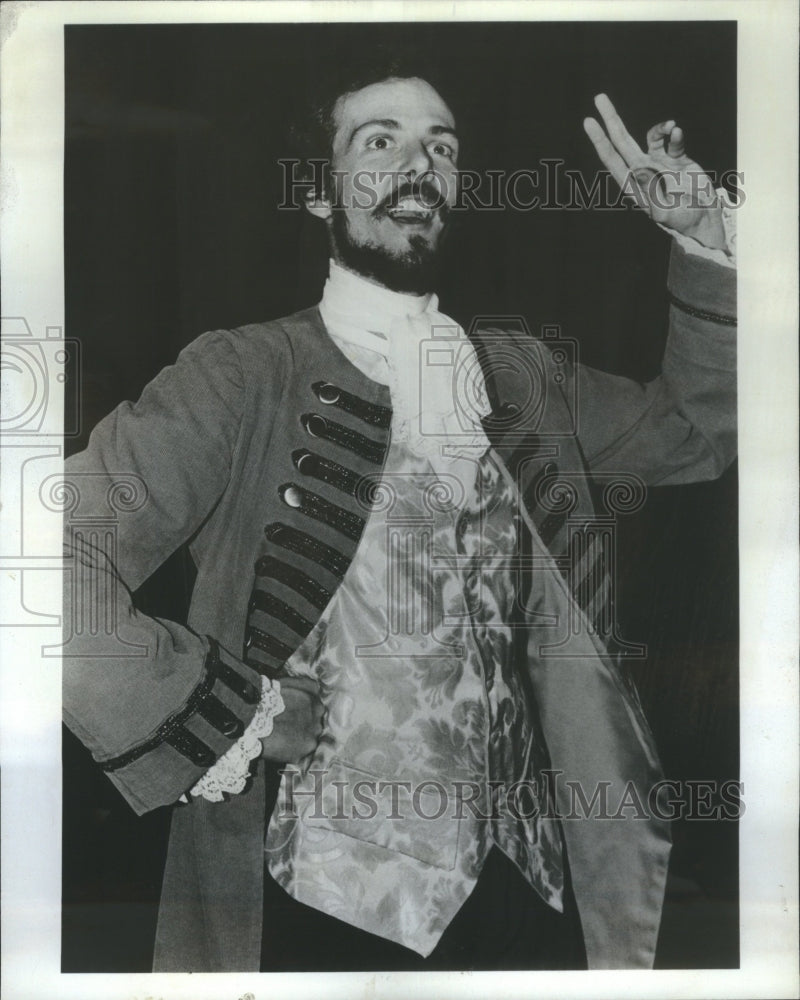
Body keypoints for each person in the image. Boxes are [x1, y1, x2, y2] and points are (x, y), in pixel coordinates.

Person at [61, 48, 736, 972]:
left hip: (524, 890)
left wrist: (701, 239)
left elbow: (698, 432)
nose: (419, 166)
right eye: (379, 141)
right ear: (317, 190)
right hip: (314, 891)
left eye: (442, 148)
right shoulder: (242, 375)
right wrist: (230, 711)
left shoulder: (525, 378)